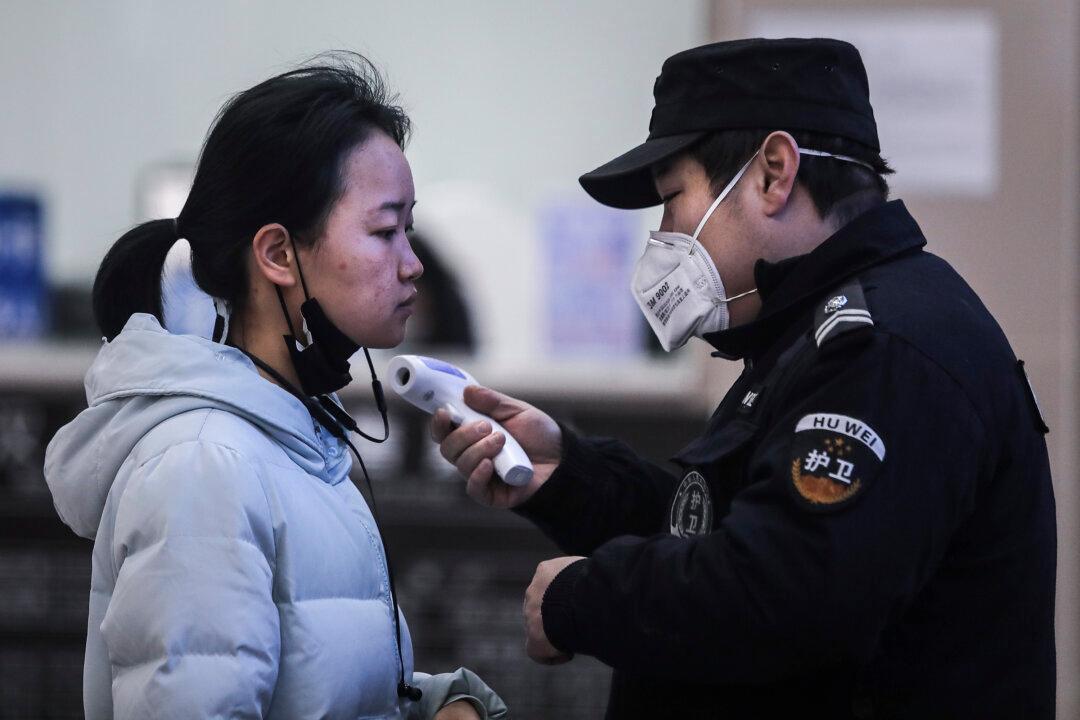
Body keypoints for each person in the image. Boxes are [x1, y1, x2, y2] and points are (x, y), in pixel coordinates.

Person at [431, 38, 1056, 718]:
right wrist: (571, 477)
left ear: (773, 173)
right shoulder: (809, 334)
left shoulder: (884, 350)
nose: (665, 233)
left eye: (673, 199)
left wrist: (580, 600)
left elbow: (786, 591)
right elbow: (723, 530)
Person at [44, 55, 506, 720]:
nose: (413, 265)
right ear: (278, 254)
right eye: (384, 231)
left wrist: (441, 704)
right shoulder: (204, 465)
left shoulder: (291, 440)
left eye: (408, 229)